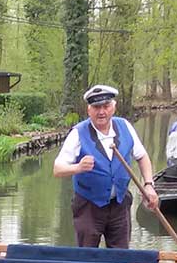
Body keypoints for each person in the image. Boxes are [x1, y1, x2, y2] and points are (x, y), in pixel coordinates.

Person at [53, 85, 159, 248]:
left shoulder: (125, 127)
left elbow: (142, 156)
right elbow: (57, 169)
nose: (101, 112)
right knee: (87, 256)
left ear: (113, 107)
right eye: (96, 107)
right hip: (88, 206)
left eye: (106, 106)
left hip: (120, 204)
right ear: (89, 110)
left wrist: (149, 185)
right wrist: (78, 167)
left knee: (120, 256)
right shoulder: (78, 133)